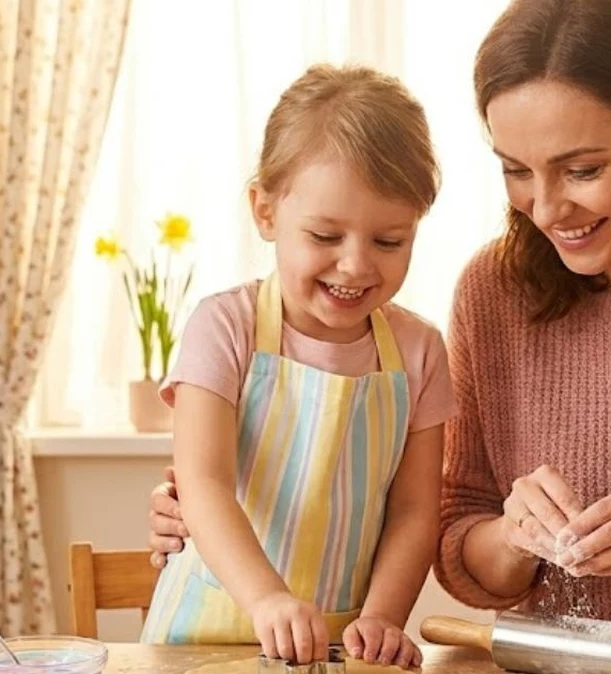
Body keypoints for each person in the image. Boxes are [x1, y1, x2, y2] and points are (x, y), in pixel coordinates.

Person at [146, 0, 611, 648]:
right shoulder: (496, 291)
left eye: (582, 170)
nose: (545, 209)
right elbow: (461, 544)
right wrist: (514, 538)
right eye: (516, 170)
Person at [138, 64, 456, 669]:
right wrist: (268, 601)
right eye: (326, 236)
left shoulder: (420, 350)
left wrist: (382, 618)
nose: (356, 264)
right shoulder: (224, 326)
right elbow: (203, 484)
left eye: (389, 241)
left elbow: (415, 512)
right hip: (204, 636)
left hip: (339, 645)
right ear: (265, 211)